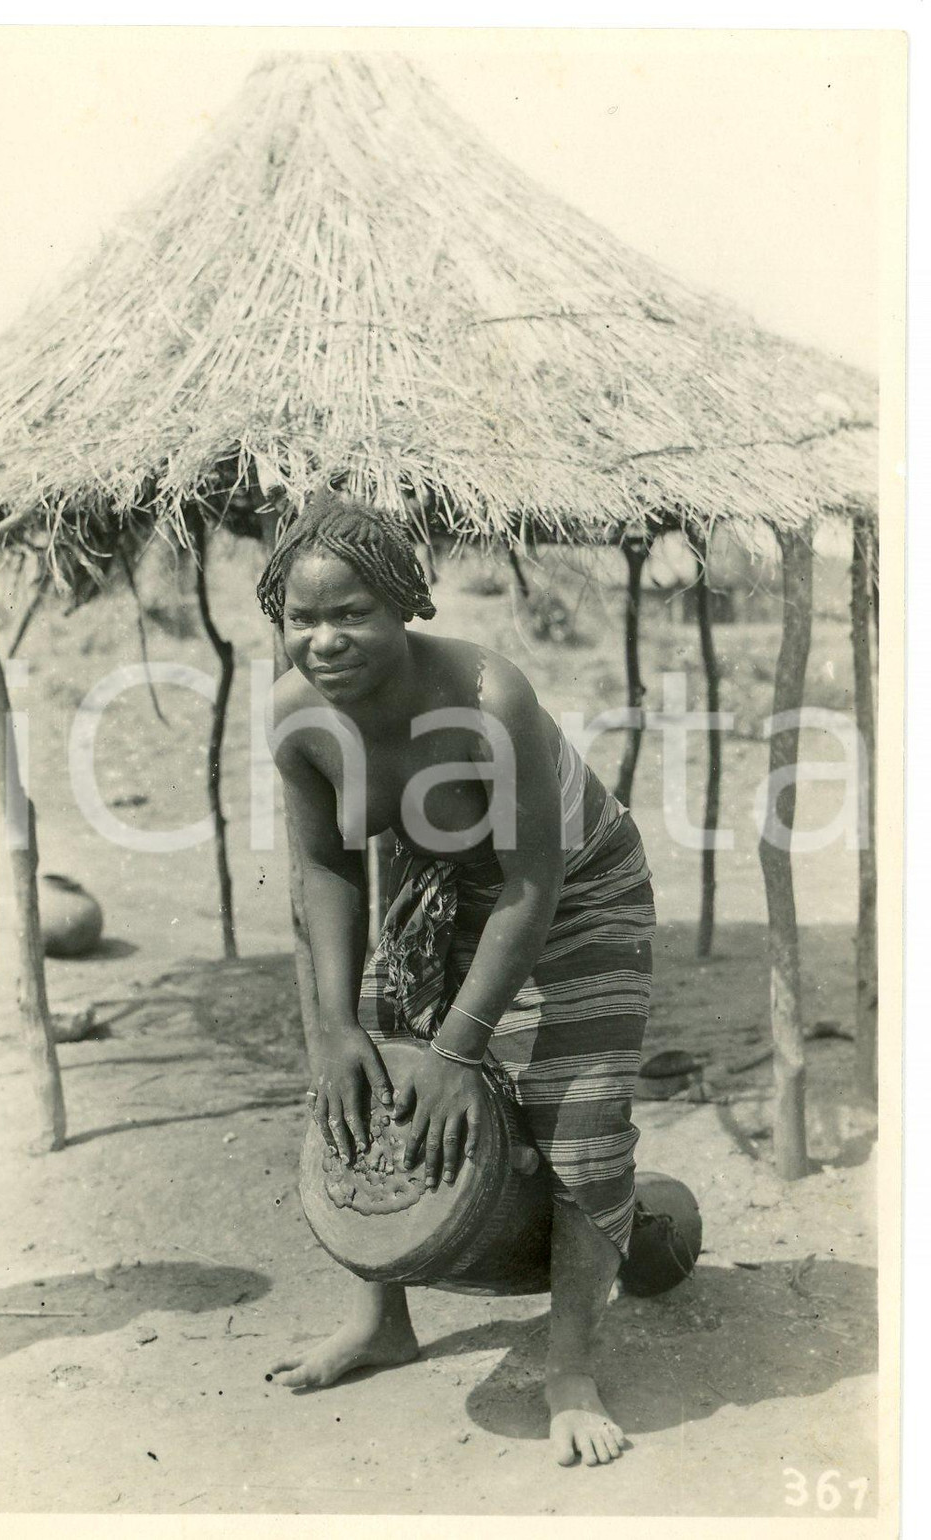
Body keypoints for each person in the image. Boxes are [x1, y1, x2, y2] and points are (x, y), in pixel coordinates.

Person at [258, 488, 656, 1468]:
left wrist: (455, 1047)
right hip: (435, 883)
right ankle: (380, 1317)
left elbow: (532, 885)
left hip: (574, 893)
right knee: (368, 1086)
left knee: (579, 1113)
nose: (325, 641)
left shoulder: (487, 697)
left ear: (404, 604)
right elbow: (324, 869)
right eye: (302, 619)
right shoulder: (296, 718)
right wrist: (338, 1031)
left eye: (350, 613)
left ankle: (567, 1368)